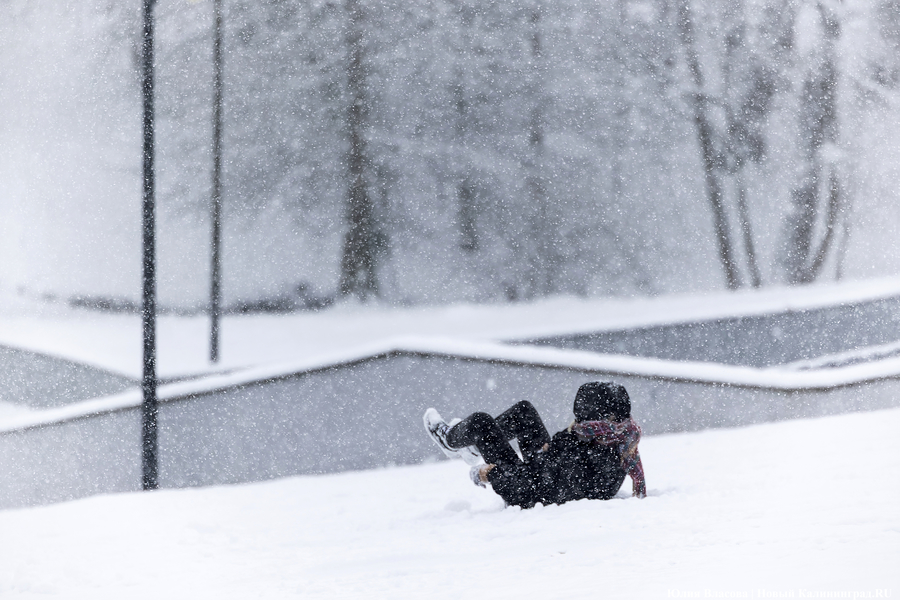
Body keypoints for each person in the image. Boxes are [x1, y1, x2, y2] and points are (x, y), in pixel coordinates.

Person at [424, 381, 646, 508]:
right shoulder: (616, 437)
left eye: (582, 417)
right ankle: (472, 448)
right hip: (543, 471)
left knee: (480, 423)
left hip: (527, 489)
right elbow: (566, 446)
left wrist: (489, 474)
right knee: (524, 411)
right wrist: (554, 449)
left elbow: (532, 488)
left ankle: (449, 441)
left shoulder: (596, 457)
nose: (577, 422)